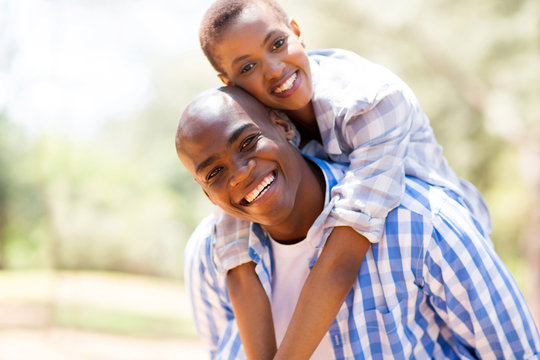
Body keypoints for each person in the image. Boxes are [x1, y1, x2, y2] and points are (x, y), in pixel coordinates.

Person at [196, 0, 494, 358]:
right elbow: (237, 255)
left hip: (440, 251)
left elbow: (343, 254)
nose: (274, 70)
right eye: (248, 66)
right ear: (229, 83)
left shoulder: (373, 99)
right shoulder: (250, 135)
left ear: (297, 31)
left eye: (277, 44)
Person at [177, 86, 540, 359]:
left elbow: (516, 353)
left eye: (248, 142)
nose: (240, 174)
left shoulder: (423, 222)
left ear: (283, 127)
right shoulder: (209, 257)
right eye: (215, 173)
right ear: (208, 195)